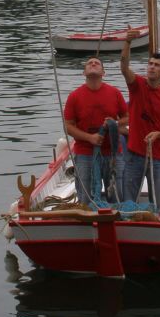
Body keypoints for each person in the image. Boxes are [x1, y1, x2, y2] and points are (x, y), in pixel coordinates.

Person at [120, 28, 160, 215]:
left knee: (158, 206)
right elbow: (123, 66)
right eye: (150, 64)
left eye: (156, 65)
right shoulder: (137, 85)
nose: (152, 67)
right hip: (134, 155)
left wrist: (159, 134)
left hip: (158, 159)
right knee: (129, 203)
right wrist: (127, 42)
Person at [63, 56, 128, 206]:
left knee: (117, 196)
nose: (93, 64)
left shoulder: (115, 93)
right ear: (83, 73)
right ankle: (86, 223)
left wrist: (115, 123)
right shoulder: (74, 97)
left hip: (112, 153)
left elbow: (127, 117)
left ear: (103, 72)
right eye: (89, 63)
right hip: (85, 153)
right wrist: (89, 138)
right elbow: (68, 127)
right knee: (86, 197)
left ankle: (117, 221)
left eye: (97, 63)